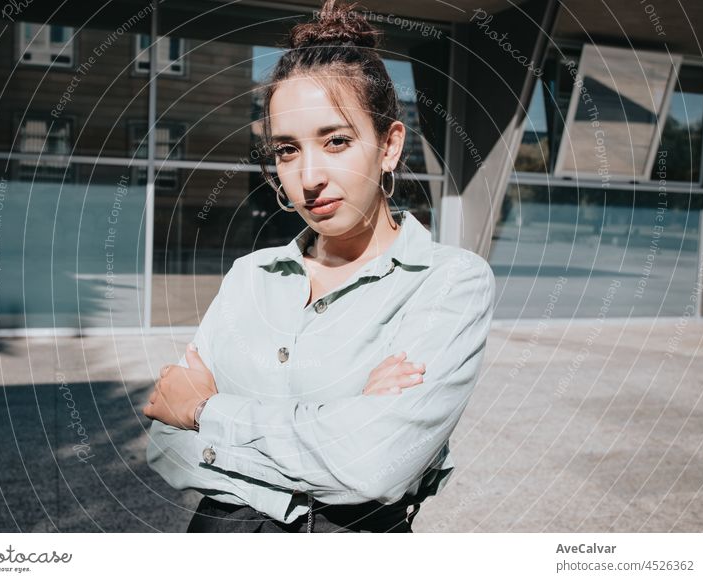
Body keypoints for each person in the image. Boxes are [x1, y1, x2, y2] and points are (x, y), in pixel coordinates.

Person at [143, 0, 495, 533]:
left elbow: (374, 466)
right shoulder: (250, 277)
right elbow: (166, 445)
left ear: (389, 146)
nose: (308, 177)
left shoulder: (450, 282)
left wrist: (206, 413)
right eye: (287, 150)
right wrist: (342, 421)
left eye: (336, 141)